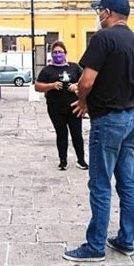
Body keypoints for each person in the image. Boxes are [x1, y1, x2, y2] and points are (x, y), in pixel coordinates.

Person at [63, 0, 134, 262]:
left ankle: (95, 245)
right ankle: (126, 239)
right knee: (127, 183)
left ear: (107, 13)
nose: (98, 16)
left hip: (107, 120)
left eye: (100, 11)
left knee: (100, 183)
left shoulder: (103, 38)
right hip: (131, 118)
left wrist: (83, 101)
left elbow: (86, 81)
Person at [35, 41, 87, 170]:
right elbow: (37, 86)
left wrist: (76, 87)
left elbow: (85, 81)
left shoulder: (74, 67)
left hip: (74, 106)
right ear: (51, 54)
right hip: (55, 108)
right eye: (55, 52)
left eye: (60, 52)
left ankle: (81, 160)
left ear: (65, 53)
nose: (58, 54)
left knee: (77, 133)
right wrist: (51, 85)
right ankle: (62, 161)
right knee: (61, 133)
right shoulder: (47, 70)